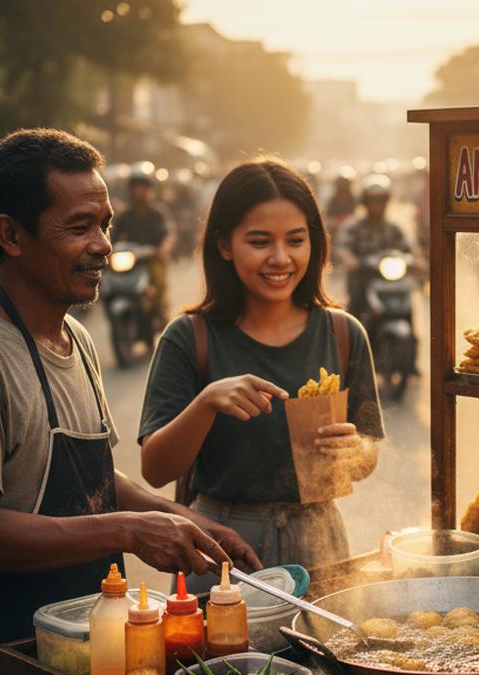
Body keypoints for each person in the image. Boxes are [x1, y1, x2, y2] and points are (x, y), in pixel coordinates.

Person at [0, 129, 261, 675]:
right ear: (10, 235)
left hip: (84, 642)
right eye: (79, 227)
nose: (103, 244)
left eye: (105, 224)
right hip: (3, 649)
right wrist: (128, 530)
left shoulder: (78, 338)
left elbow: (92, 477)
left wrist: (179, 517)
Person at [137, 158, 385, 594]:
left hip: (321, 539)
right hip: (222, 545)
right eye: (259, 241)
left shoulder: (344, 333)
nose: (280, 258)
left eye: (296, 240)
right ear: (225, 245)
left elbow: (366, 460)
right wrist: (206, 403)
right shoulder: (189, 338)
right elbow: (156, 469)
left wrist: (353, 449)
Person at [340, 174, 410, 321]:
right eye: (373, 200)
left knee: (408, 298)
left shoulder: (394, 228)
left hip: (391, 282)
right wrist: (350, 259)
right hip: (363, 278)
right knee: (354, 310)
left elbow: (408, 249)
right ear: (365, 202)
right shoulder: (354, 227)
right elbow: (342, 247)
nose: (377, 204)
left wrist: (418, 260)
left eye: (382, 200)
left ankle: (411, 339)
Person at [111, 170, 175, 320]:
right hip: (130, 261)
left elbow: (169, 233)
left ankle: (160, 310)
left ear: (149, 190)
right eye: (135, 187)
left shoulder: (158, 213)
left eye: (142, 187)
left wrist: (163, 249)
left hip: (153, 258)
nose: (139, 191)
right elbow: (113, 238)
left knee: (158, 284)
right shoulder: (125, 215)